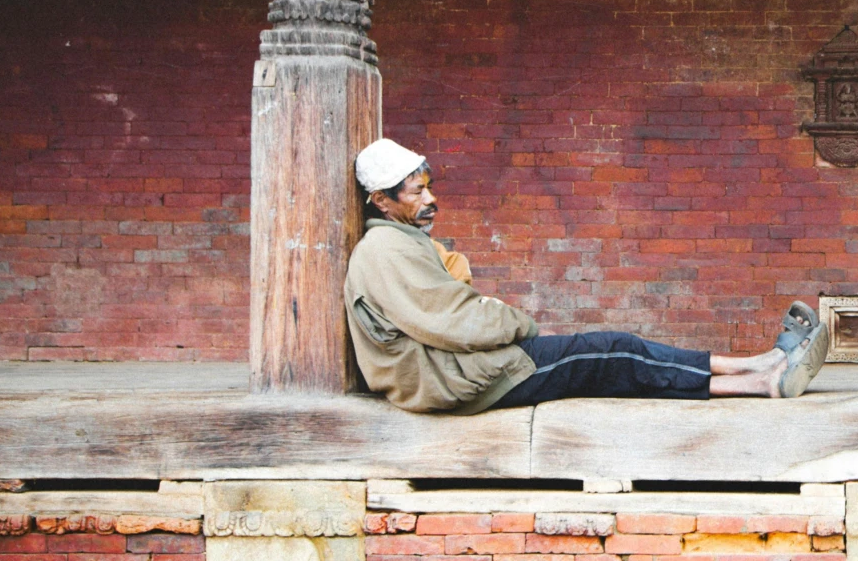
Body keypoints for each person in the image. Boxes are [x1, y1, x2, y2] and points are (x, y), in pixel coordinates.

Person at [343, 138, 827, 415]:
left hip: (453, 373)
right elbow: (460, 321)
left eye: (428, 189)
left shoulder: (399, 243)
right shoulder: (385, 248)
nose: (429, 201)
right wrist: (520, 324)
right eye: (414, 193)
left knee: (615, 355)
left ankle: (755, 367)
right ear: (381, 201)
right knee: (614, 352)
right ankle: (755, 380)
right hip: (457, 380)